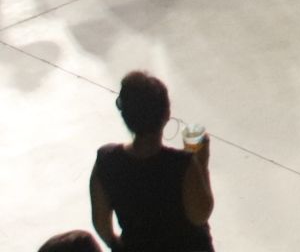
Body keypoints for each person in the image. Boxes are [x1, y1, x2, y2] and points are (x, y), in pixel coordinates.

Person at [89, 70, 214, 251]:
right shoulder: (181, 165)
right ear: (166, 114)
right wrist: (200, 161)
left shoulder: (106, 160)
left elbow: (101, 223)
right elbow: (200, 214)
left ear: (124, 114)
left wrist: (117, 246)